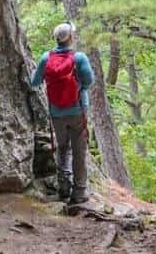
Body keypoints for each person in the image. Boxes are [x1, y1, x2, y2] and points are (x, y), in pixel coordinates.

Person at [31, 22, 94, 204]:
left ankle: (63, 188)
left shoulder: (46, 58)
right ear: (71, 38)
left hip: (56, 112)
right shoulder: (79, 58)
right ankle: (79, 191)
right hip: (77, 111)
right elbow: (89, 81)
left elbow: (35, 82)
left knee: (62, 149)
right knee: (79, 151)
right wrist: (79, 86)